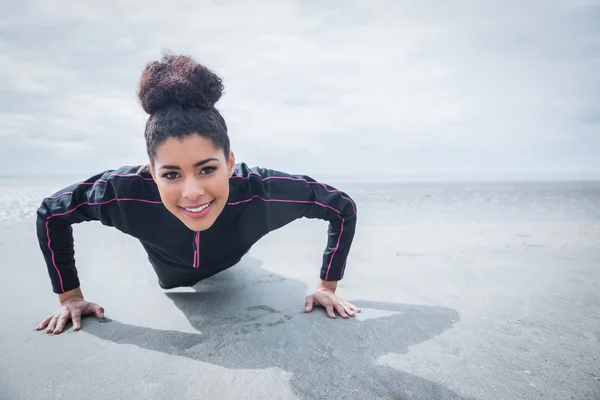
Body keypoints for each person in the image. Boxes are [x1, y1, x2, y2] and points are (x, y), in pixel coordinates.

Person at [34, 53, 360, 335]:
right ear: (151, 170)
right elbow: (51, 213)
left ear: (229, 163)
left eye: (207, 169)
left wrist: (326, 287)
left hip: (229, 267)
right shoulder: (122, 194)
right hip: (169, 275)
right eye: (171, 174)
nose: (193, 192)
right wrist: (70, 297)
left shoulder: (261, 193)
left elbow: (341, 206)